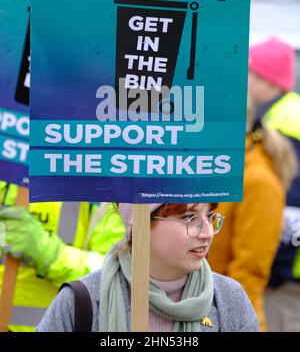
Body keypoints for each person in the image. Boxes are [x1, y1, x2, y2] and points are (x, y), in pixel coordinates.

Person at [37, 202, 259, 332]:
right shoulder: (80, 301)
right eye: (189, 218)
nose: (208, 232)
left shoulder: (230, 299)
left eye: (209, 216)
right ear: (142, 222)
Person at [208, 98, 298, 331]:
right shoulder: (225, 167)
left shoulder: (259, 181)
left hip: (226, 316)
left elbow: (249, 273)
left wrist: (224, 323)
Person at [0, 181, 125, 331]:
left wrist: (50, 254)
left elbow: (113, 274)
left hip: (59, 325)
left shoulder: (105, 185)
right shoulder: (9, 165)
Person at [247, 37, 300, 331]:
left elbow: (290, 207)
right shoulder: (289, 112)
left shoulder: (281, 124)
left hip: (286, 275)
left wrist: (276, 270)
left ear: (267, 81)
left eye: (249, 74)